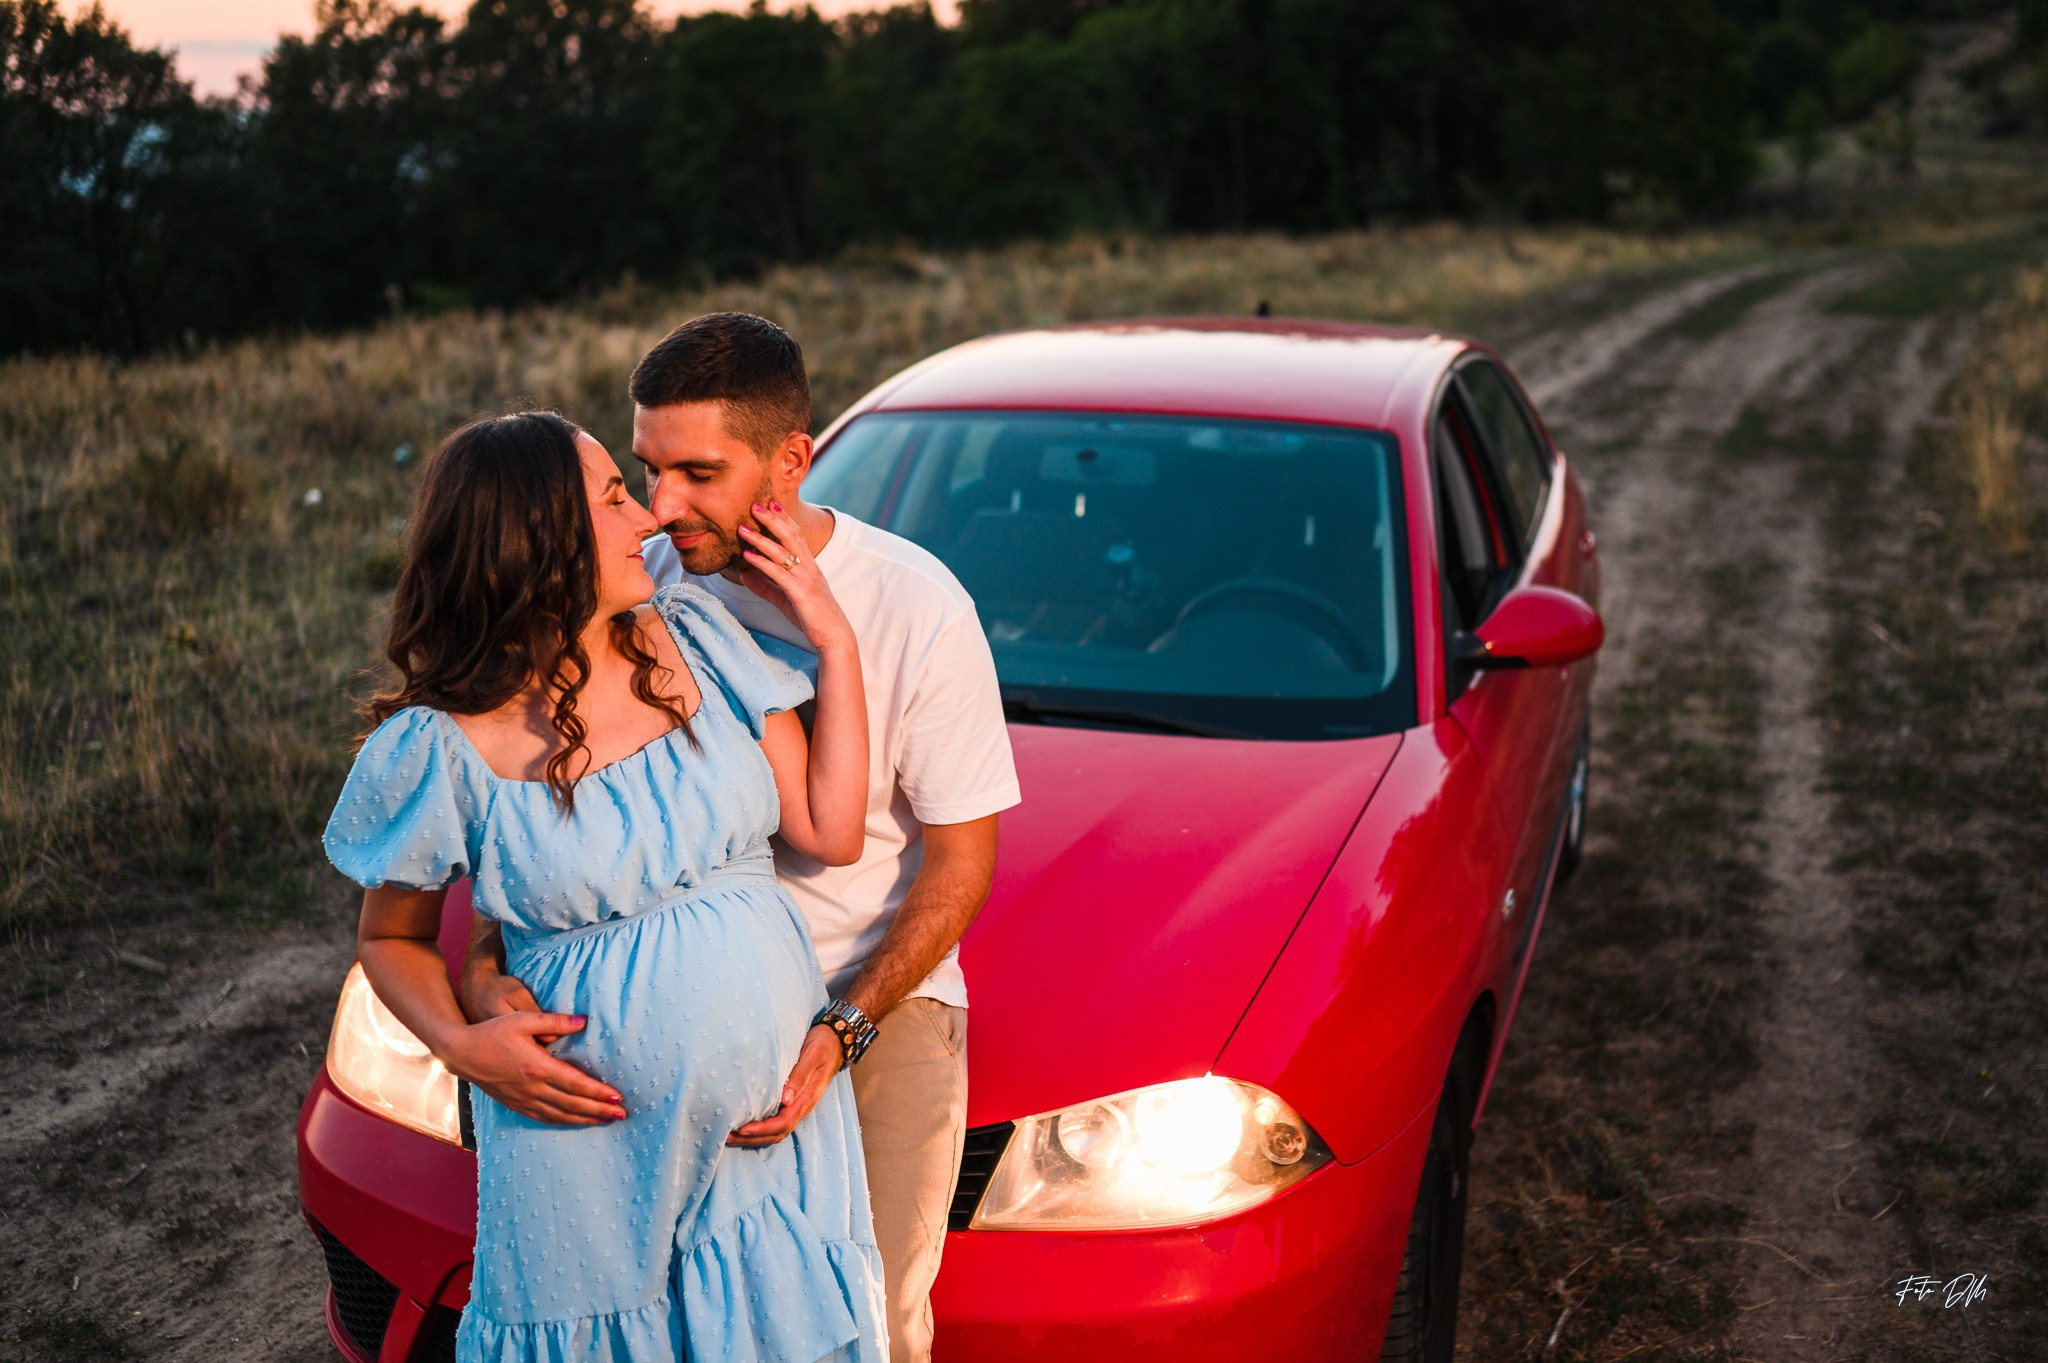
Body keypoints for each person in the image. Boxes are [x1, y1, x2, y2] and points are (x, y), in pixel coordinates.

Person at [463, 314, 1020, 1363]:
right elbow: (559, 817)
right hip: (668, 1045)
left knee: (872, 1320)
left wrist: (839, 1030)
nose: (663, 506)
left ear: (790, 460)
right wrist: (489, 968)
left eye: (698, 472)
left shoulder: (918, 607)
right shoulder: (646, 587)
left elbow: (958, 862)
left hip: (870, 1012)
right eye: (646, 470)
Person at [323, 410, 887, 1363]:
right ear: (538, 538)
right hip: (586, 1157)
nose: (649, 518)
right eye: (616, 497)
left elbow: (829, 828)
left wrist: (832, 639)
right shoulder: (439, 745)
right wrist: (466, 1045)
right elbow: (390, 939)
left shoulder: (696, 639)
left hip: (768, 1147)